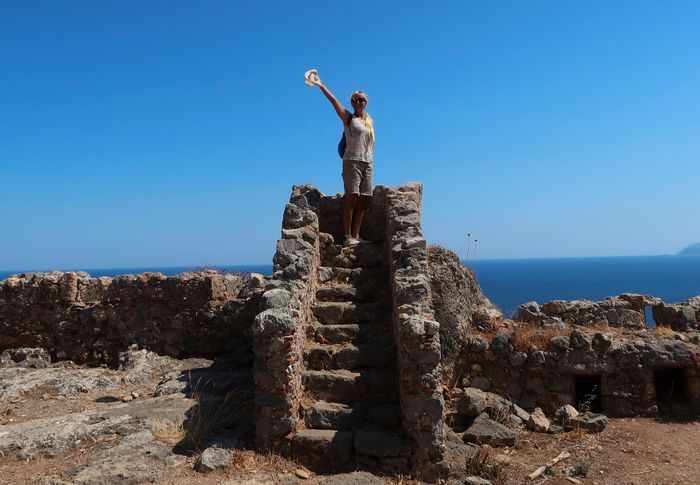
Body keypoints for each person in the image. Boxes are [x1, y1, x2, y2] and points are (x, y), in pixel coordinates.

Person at [311, 76, 375, 247]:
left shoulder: (369, 122)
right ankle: (347, 237)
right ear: (352, 103)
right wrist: (321, 85)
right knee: (351, 198)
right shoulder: (349, 118)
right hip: (352, 161)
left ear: (366, 102)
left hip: (367, 163)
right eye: (355, 100)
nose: (358, 102)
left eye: (361, 100)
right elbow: (333, 100)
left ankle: (356, 235)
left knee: (364, 199)